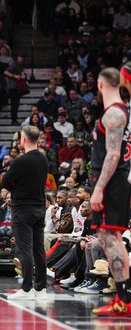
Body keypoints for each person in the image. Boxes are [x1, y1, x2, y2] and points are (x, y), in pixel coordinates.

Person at [91, 67, 131, 316]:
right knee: (110, 238)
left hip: (113, 181)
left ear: (101, 83)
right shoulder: (120, 111)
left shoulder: (114, 113)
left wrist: (98, 188)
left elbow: (114, 154)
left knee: (110, 238)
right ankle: (122, 298)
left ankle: (124, 299)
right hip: (117, 179)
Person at [2, 125, 48, 300]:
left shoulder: (20, 161)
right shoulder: (44, 159)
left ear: (24, 139)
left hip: (22, 208)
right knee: (38, 249)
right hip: (39, 207)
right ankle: (41, 288)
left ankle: (27, 288)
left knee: (25, 248)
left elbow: (5, 182)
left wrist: (14, 185)